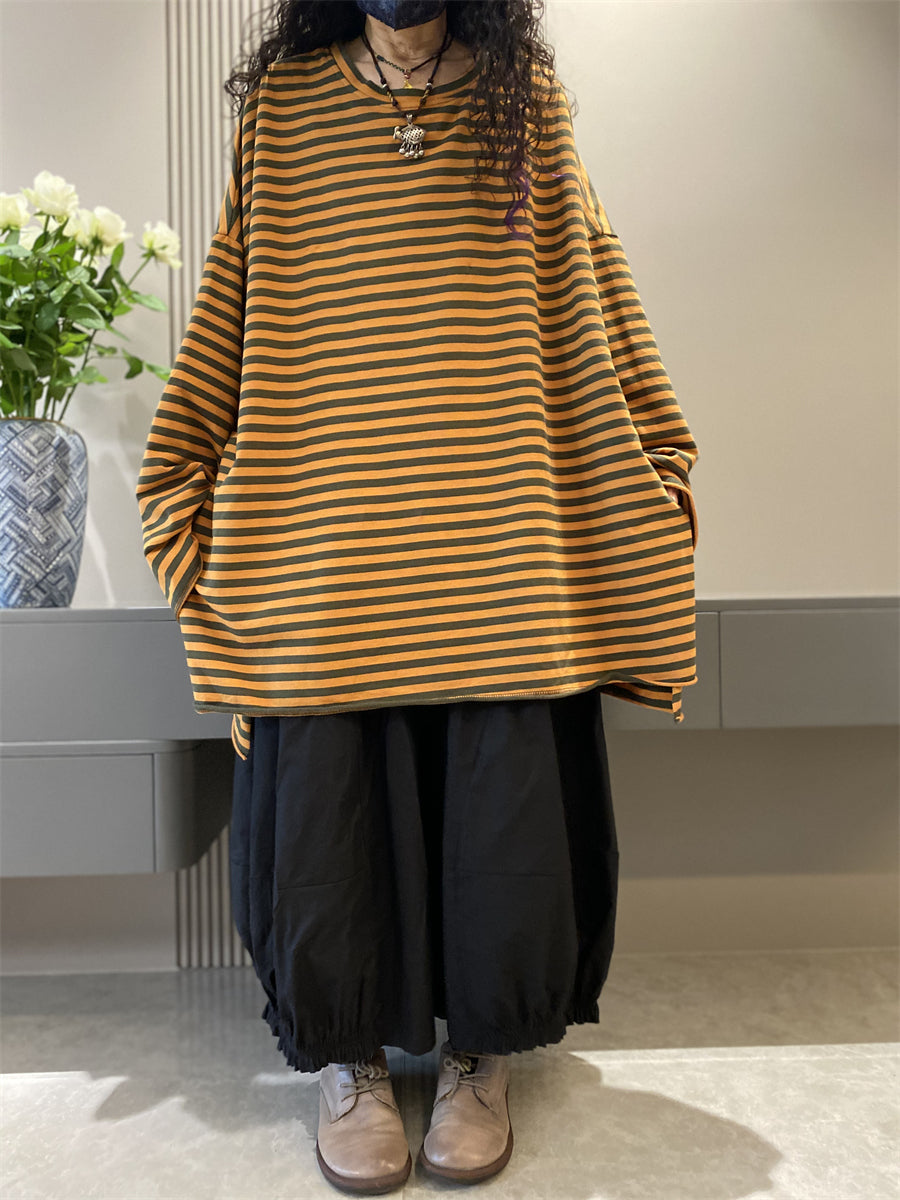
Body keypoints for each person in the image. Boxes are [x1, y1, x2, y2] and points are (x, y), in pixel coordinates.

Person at [135, 0, 700, 1192]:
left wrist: (650, 462)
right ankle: (346, 1060)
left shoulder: (523, 101)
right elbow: (235, 309)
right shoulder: (287, 109)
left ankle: (479, 1057)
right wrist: (193, 512)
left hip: (500, 555)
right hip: (328, 559)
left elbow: (585, 302)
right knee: (330, 828)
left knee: (502, 824)